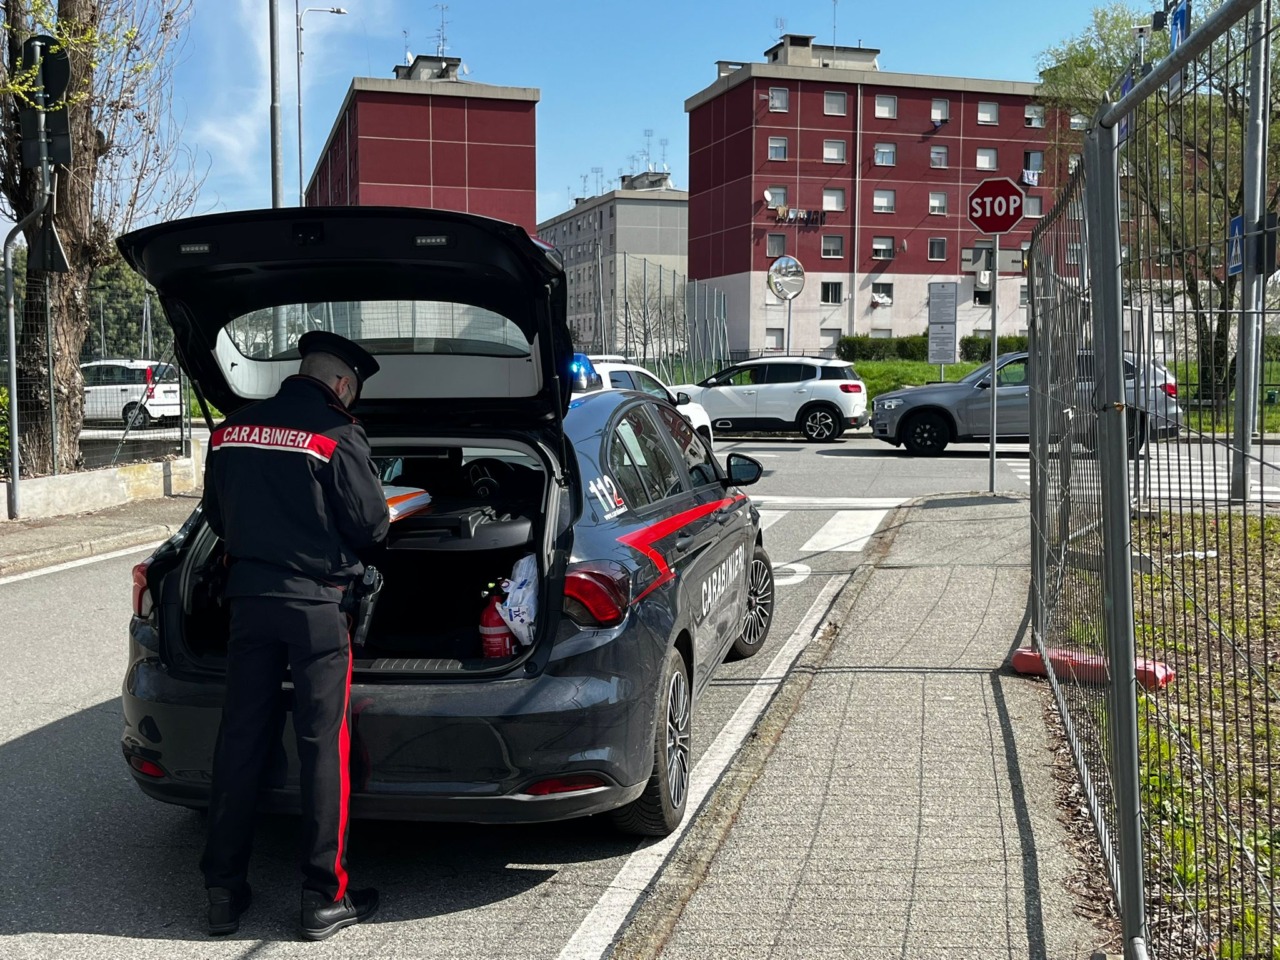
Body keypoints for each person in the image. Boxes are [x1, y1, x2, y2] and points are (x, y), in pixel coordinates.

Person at [199, 330, 390, 941]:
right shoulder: (337, 436)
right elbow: (371, 527)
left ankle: (222, 892)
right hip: (316, 609)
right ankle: (322, 897)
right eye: (351, 392)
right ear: (340, 385)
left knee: (240, 739)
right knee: (321, 746)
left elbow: (216, 517)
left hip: (248, 604)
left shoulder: (232, 430)